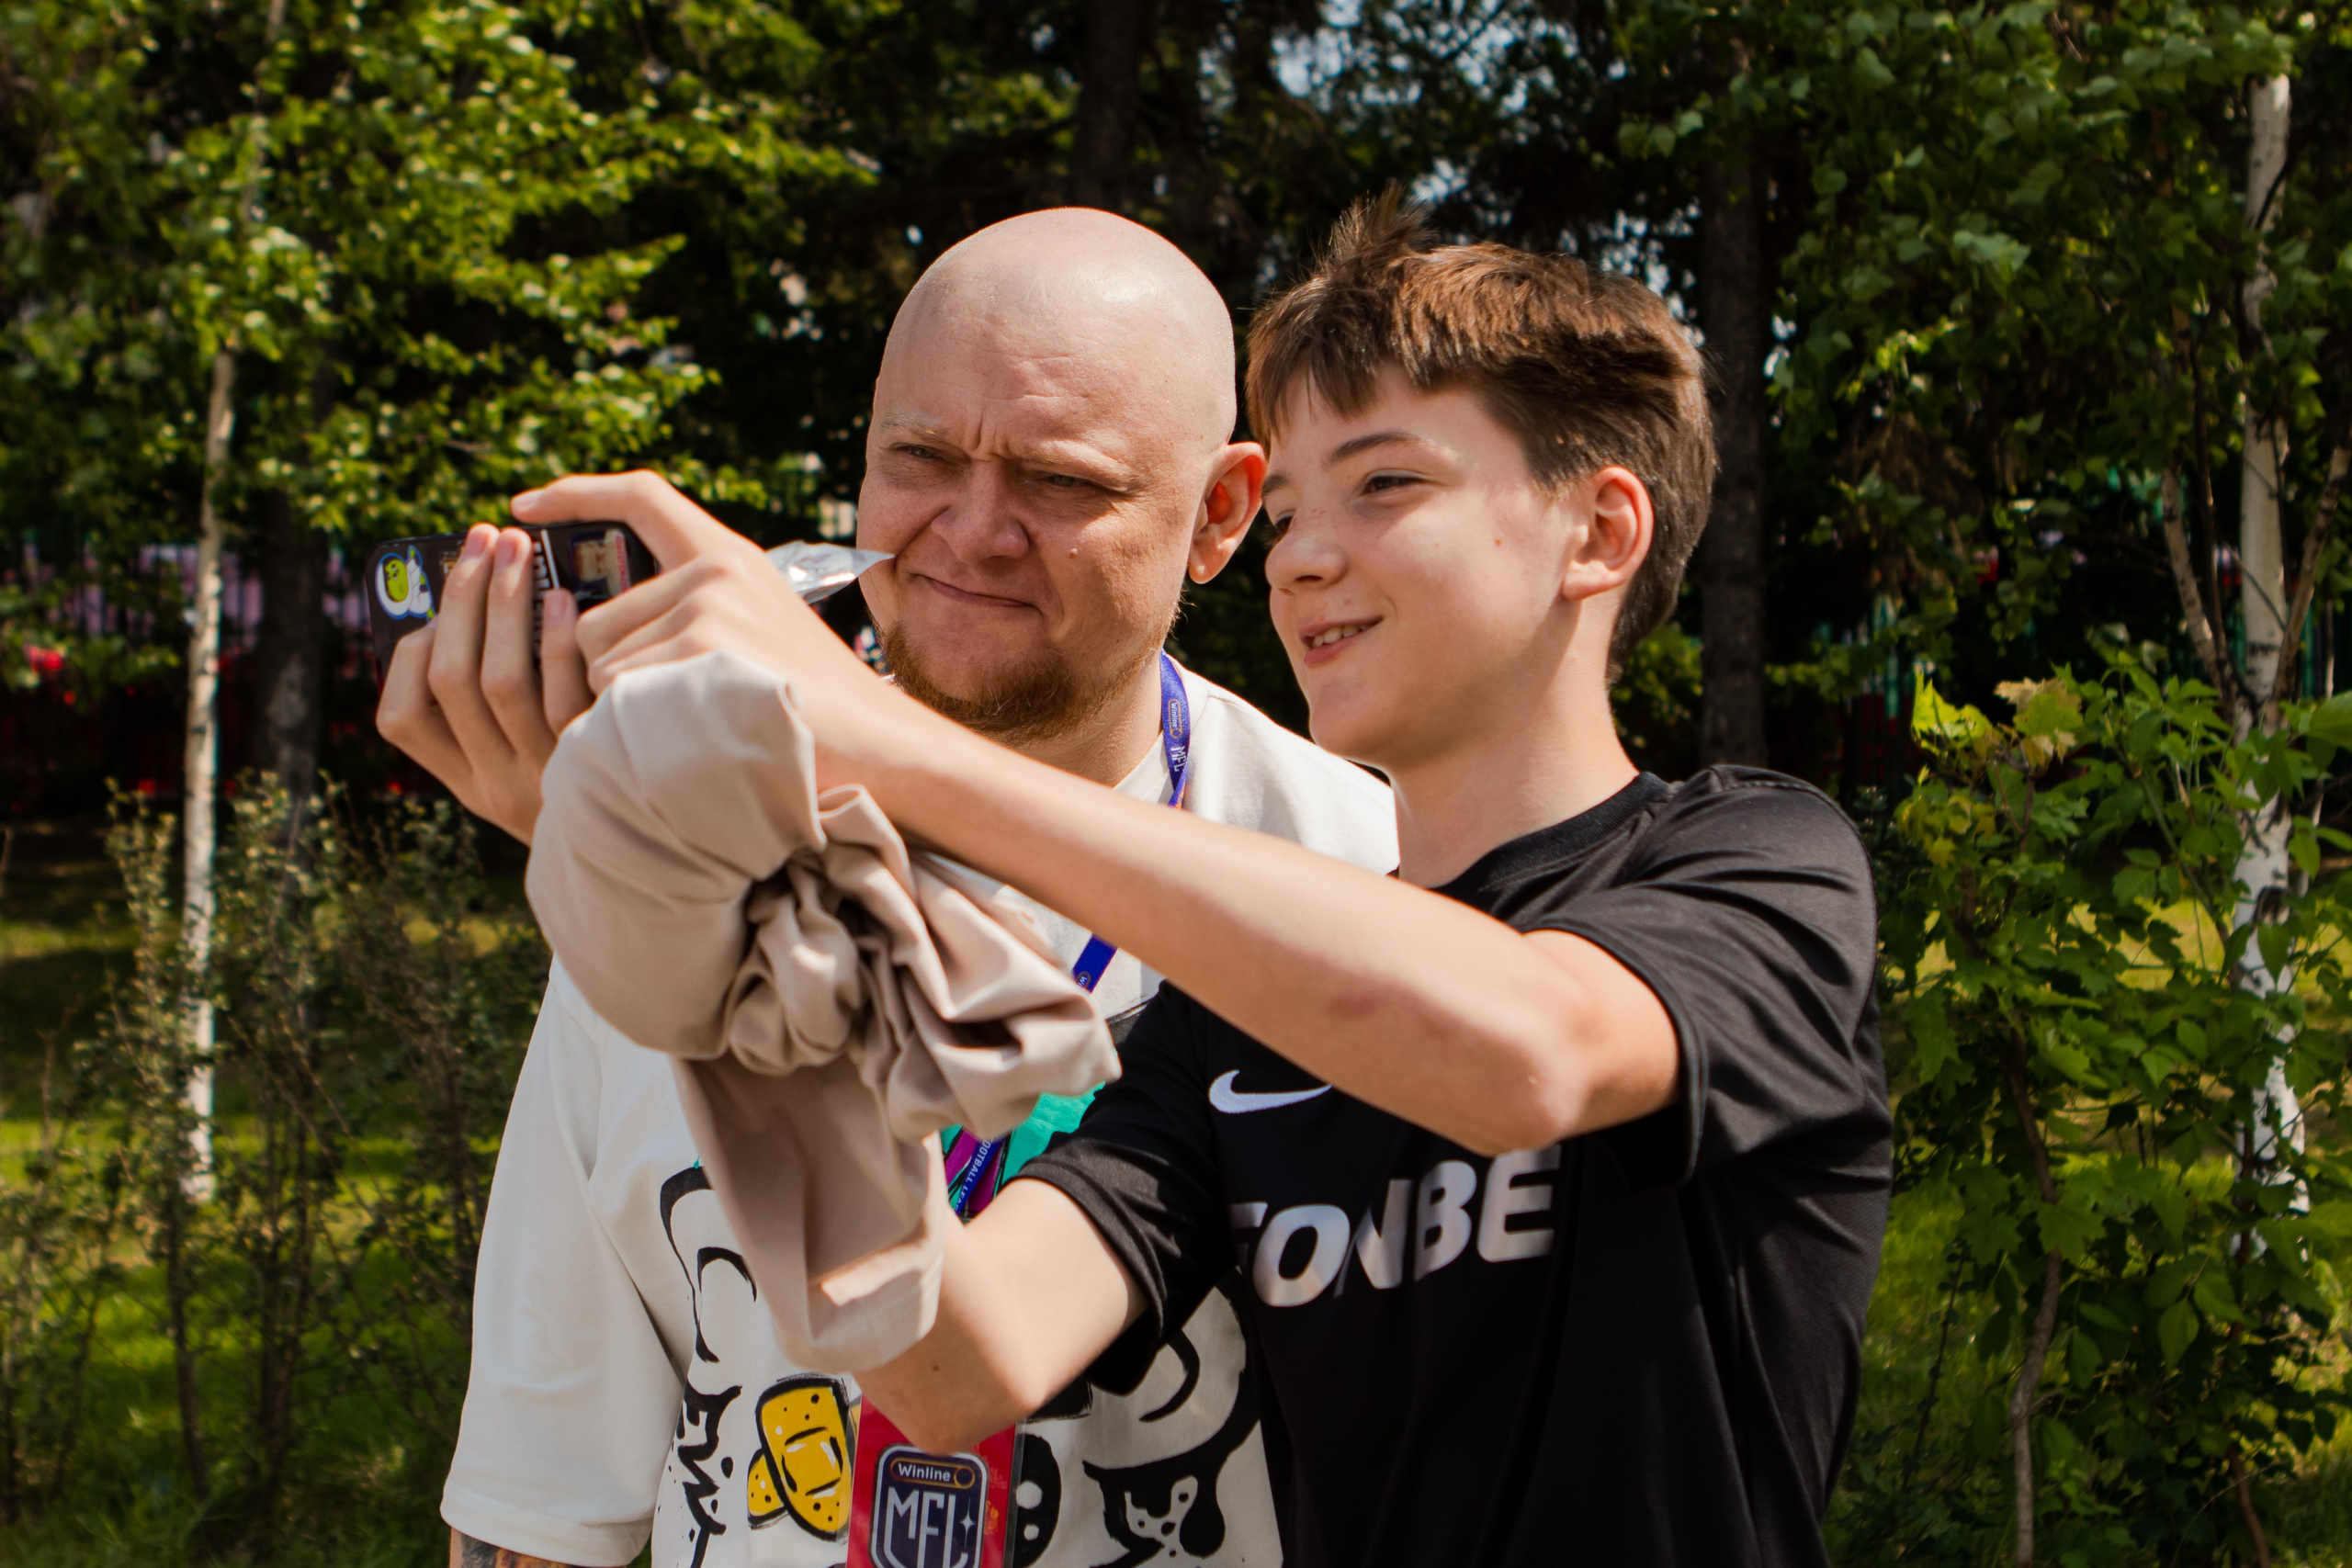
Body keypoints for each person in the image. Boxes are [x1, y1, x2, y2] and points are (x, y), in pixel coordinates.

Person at [537, 193, 1891, 1567]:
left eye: (1385, 485)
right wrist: (740, 930)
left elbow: (1526, 1053)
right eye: (1293, 504)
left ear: (1599, 533)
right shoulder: (1226, 1026)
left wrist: (881, 741)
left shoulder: (1755, 865)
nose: (1301, 555)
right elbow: (949, 1365)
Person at [379, 210, 1396, 1568]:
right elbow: (548, 1483)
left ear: (1220, 512)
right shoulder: (678, 847)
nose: (972, 532)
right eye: (918, 459)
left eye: (1060, 481)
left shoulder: (1360, 870)